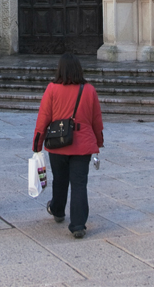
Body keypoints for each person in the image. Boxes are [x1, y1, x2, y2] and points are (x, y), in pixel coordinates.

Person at [32, 53, 104, 239]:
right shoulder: (89, 90)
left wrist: (37, 144)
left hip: (58, 142)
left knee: (60, 179)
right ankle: (78, 224)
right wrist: (98, 142)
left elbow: (43, 118)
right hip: (83, 144)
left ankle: (57, 210)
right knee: (79, 184)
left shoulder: (52, 89)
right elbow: (97, 120)